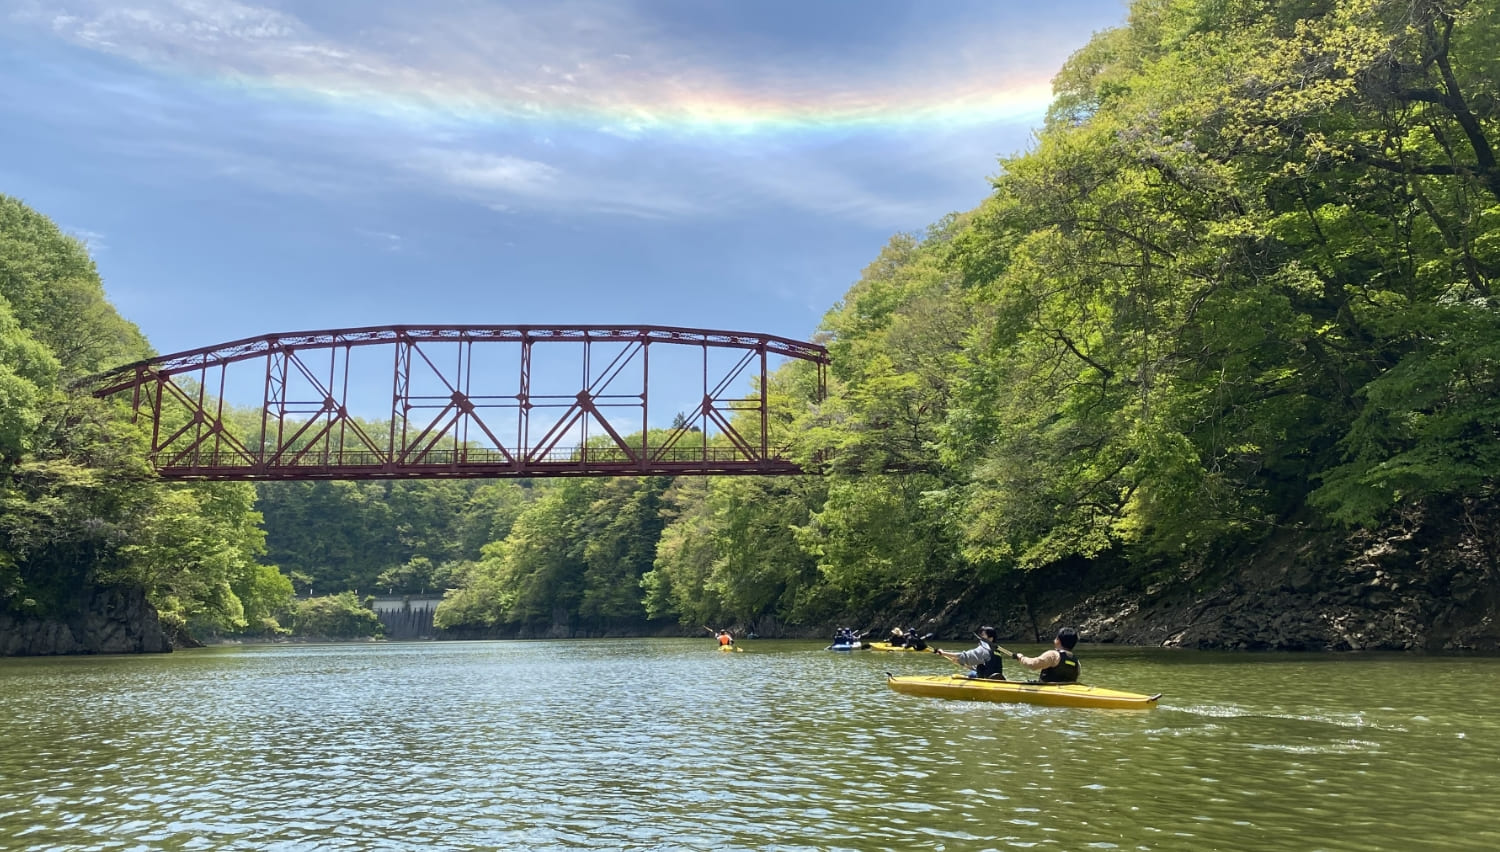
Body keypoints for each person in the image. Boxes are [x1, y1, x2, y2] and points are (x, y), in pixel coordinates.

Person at [1008, 627, 1081, 683]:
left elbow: (1033, 665)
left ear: (1058, 641)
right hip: (1066, 691)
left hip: (1050, 691)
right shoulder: (1077, 662)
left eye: (1056, 638)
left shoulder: (1053, 655)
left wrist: (1021, 657)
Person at [935, 626, 1005, 680]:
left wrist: (943, 653)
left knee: (971, 674)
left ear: (991, 638)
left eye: (983, 635)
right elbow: (980, 667)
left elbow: (963, 656)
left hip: (986, 680)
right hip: (996, 678)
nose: (980, 638)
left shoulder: (983, 649)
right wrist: (960, 662)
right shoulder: (997, 651)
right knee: (974, 671)